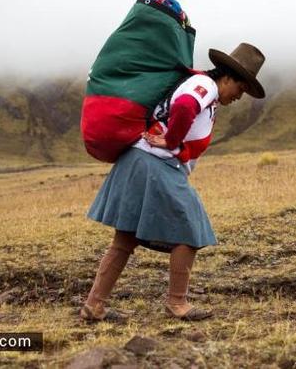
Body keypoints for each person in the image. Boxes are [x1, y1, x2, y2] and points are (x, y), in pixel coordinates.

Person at [82, 43, 266, 321]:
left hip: (139, 160)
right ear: (227, 77)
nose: (240, 96)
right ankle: (177, 303)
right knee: (191, 228)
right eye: (241, 88)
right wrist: (171, 140)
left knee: (125, 238)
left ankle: (94, 305)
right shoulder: (205, 86)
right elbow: (184, 106)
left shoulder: (203, 89)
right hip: (155, 163)